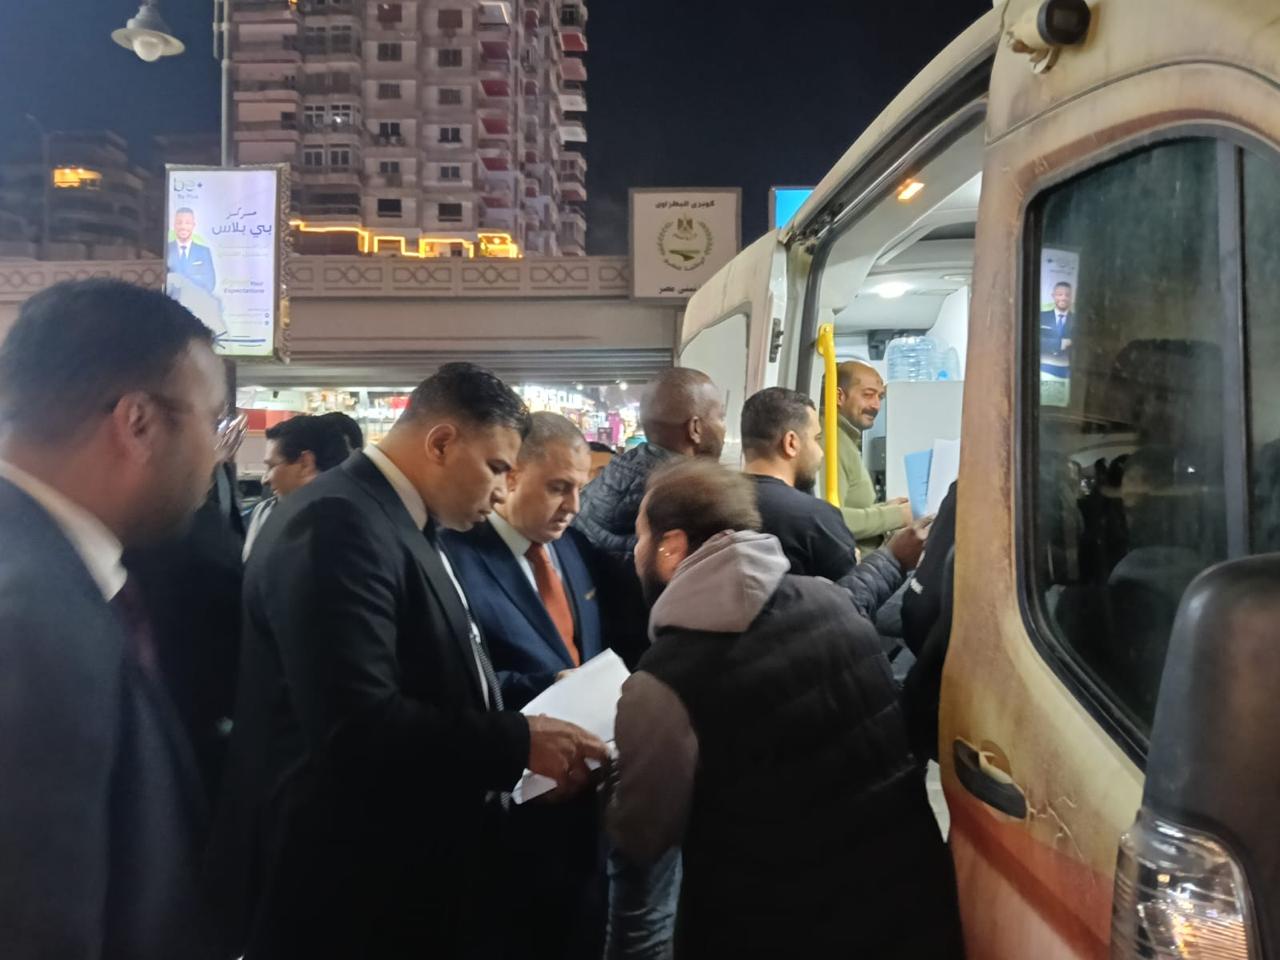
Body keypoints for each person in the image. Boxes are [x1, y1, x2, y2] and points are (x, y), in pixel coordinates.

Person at [212, 361, 609, 960]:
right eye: (495, 468)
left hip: (397, 868)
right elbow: (356, 725)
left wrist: (535, 701)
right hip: (344, 883)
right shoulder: (337, 521)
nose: (501, 491)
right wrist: (516, 743)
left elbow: (435, 672)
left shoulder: (399, 518)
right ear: (441, 442)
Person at [606, 458, 963, 959]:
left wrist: (607, 780)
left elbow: (643, 836)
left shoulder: (662, 683)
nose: (634, 552)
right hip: (906, 909)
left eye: (642, 537)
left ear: (673, 548)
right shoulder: (831, 603)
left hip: (771, 930)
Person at [0, 278, 228, 959]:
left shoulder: (50, 570)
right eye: (214, 420)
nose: (218, 453)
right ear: (138, 423)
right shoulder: (30, 618)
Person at [443, 412, 608, 960]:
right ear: (511, 476)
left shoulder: (571, 549)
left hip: (583, 804)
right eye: (558, 487)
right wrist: (547, 683)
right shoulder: (455, 558)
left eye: (580, 487)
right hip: (507, 808)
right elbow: (456, 681)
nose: (574, 505)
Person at [573, 366, 725, 960]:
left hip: (610, 699)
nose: (723, 427)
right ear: (695, 428)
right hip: (662, 705)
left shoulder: (610, 482)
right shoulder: (688, 498)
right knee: (652, 899)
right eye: (718, 415)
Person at [743, 386, 924, 584]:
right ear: (791, 443)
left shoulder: (722, 505)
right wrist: (891, 558)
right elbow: (851, 595)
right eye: (816, 439)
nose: (821, 452)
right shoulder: (814, 517)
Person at [242, 414, 351, 559]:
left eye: (271, 466)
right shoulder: (264, 513)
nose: (264, 480)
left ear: (305, 464)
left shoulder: (348, 532)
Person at [831, 360, 912, 551]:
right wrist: (898, 516)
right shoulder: (830, 441)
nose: (876, 405)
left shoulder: (844, 439)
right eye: (868, 395)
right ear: (839, 396)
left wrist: (884, 509)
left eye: (880, 397)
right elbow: (829, 518)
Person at [167, 207, 218, 295]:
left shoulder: (204, 252)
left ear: (193, 225)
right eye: (179, 223)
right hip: (170, 301)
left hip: (196, 301)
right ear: (174, 225)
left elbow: (210, 283)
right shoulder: (166, 250)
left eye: (187, 223)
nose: (183, 227)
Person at [1039, 281, 1074, 355]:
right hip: (1044, 360)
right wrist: (1060, 343)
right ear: (1053, 296)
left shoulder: (1078, 320)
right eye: (1060, 294)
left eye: (1067, 295)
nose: (1063, 298)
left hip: (1068, 361)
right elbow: (1034, 340)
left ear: (1071, 297)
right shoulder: (1041, 317)